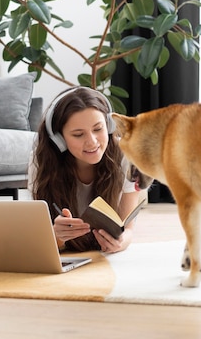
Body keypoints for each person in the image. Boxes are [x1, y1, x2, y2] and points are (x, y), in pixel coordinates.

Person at [28, 86, 141, 253]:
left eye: (98, 129)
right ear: (60, 139)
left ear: (109, 125)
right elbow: (37, 240)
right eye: (78, 134)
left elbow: (128, 229)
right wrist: (57, 236)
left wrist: (120, 242)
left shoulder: (126, 157)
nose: (92, 142)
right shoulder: (40, 161)